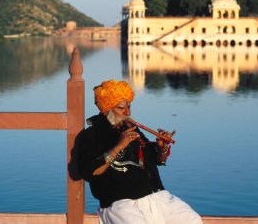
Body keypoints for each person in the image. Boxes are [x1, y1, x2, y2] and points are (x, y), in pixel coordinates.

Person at [78, 79, 203, 224]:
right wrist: (119, 145)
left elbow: (156, 160)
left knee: (193, 220)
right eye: (121, 108)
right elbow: (89, 172)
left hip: (157, 197)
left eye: (129, 106)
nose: (128, 112)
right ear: (107, 109)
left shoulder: (131, 128)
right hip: (121, 205)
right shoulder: (92, 135)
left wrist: (162, 148)